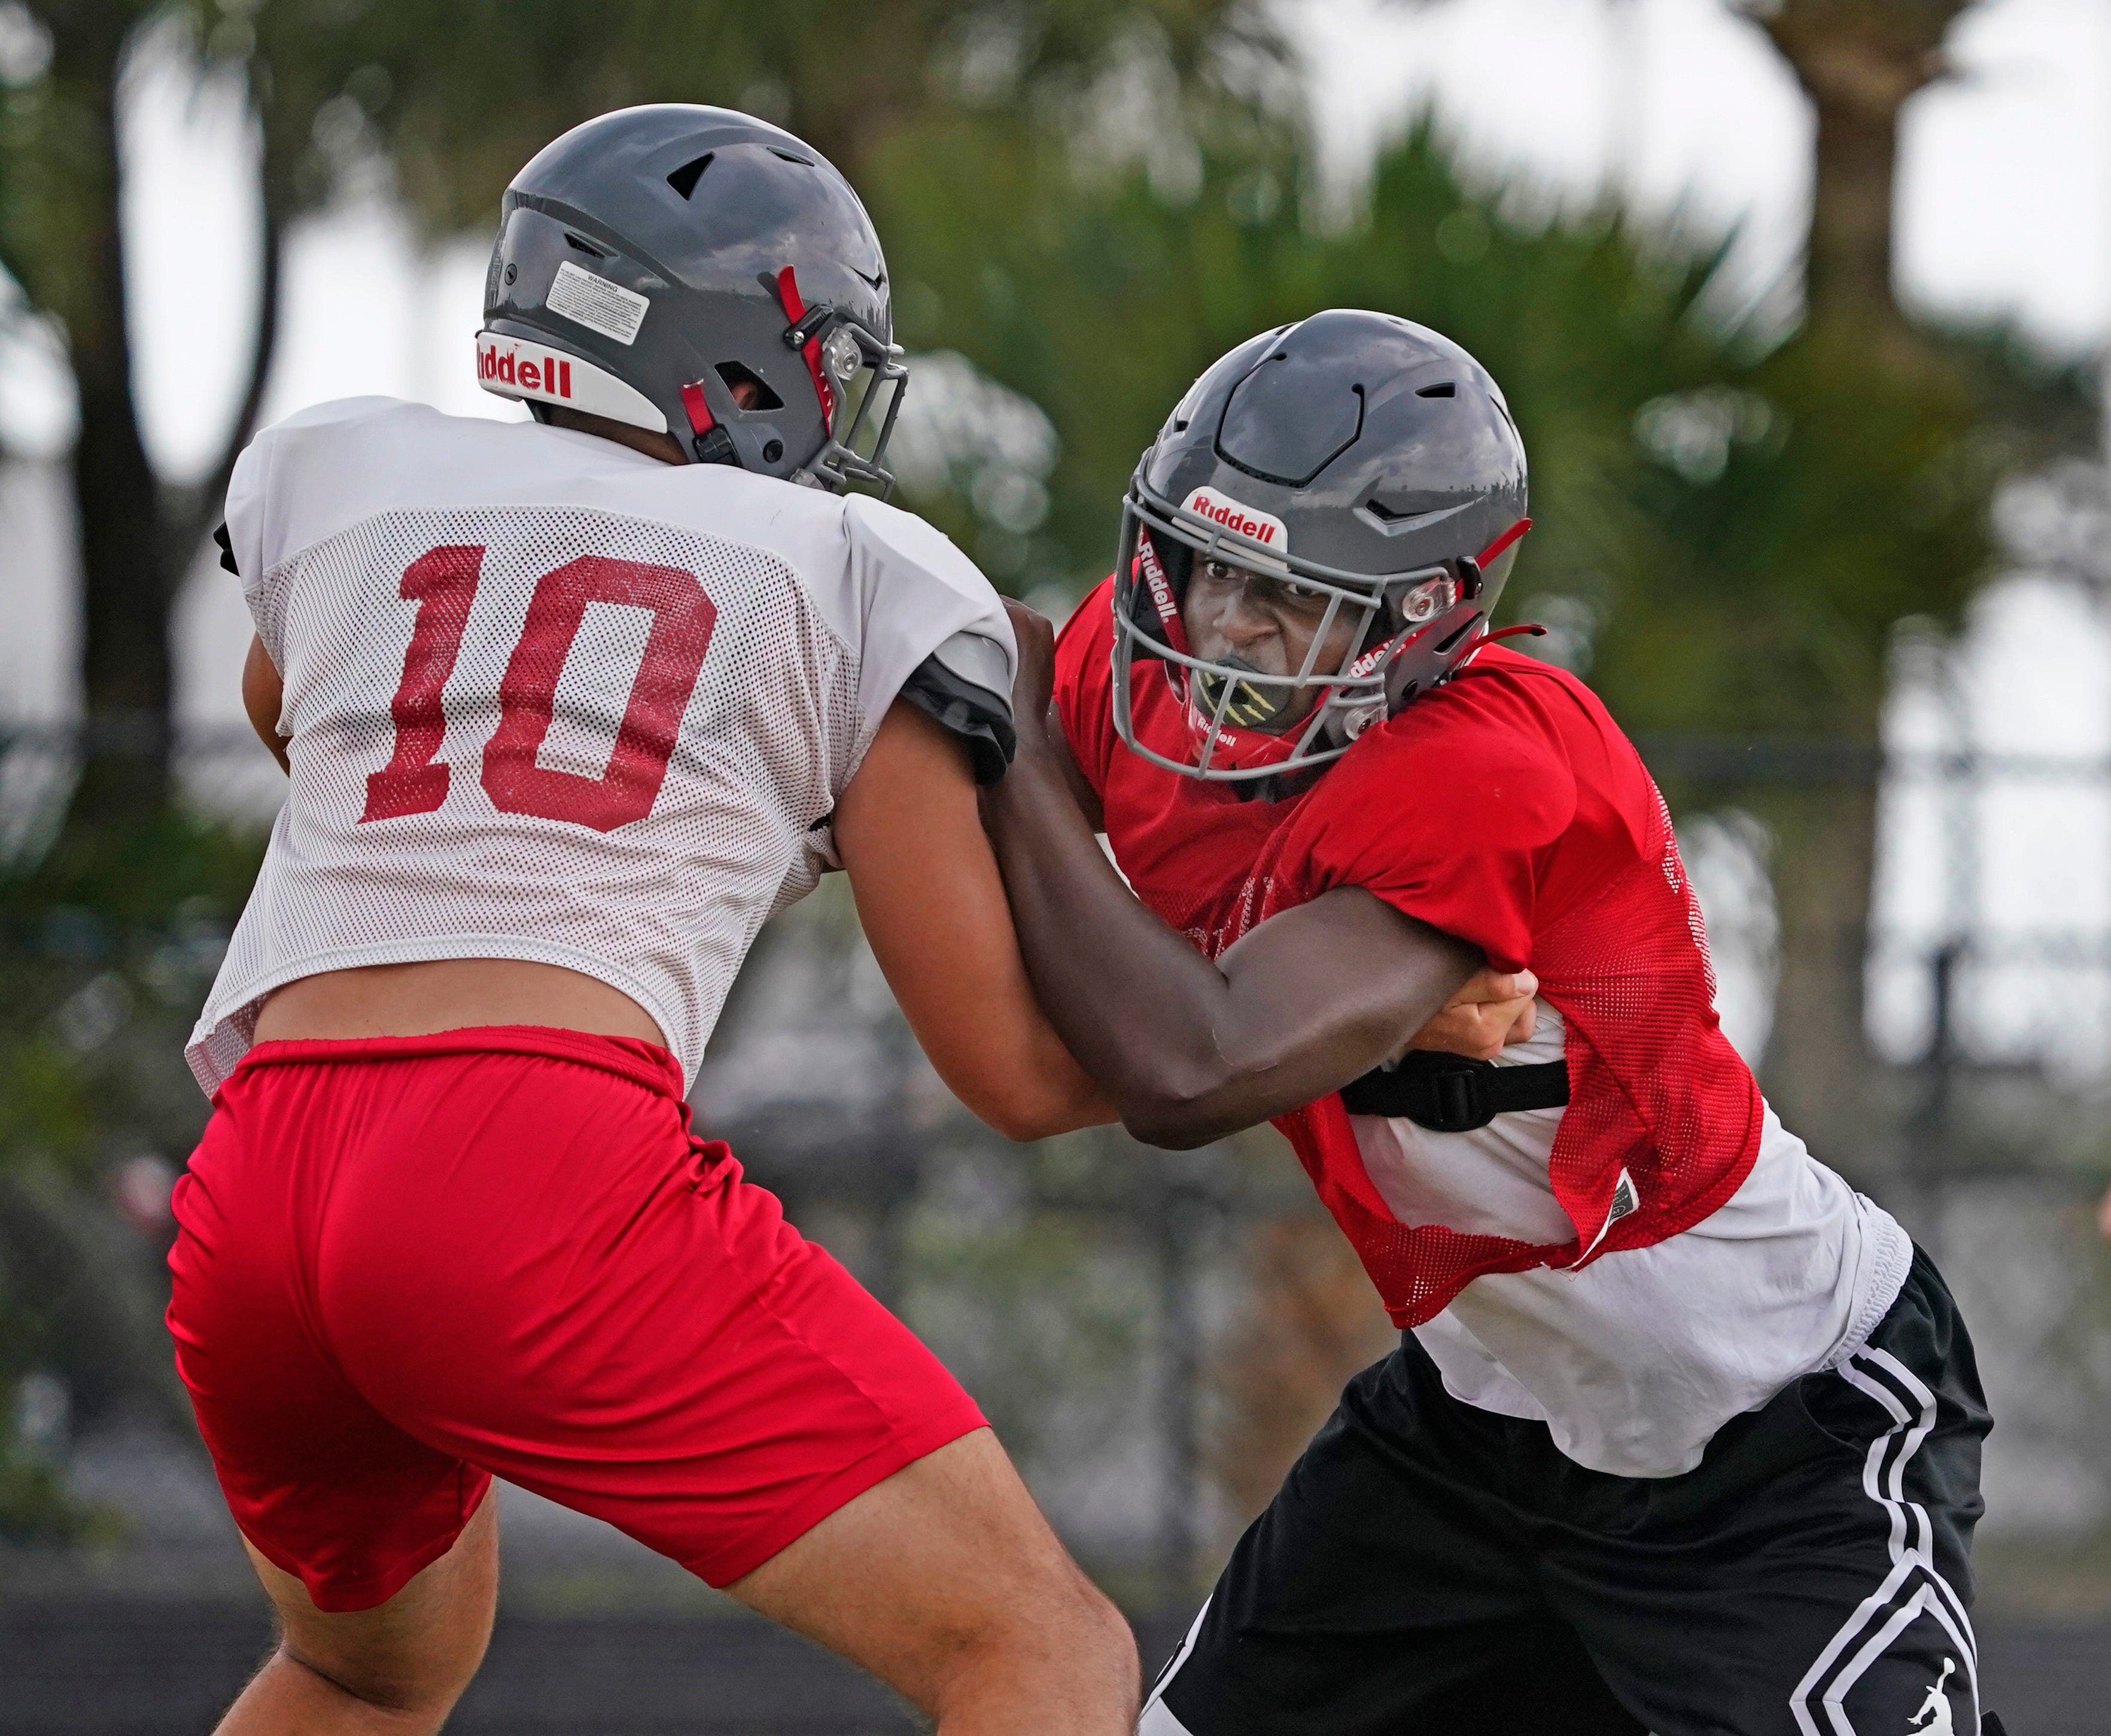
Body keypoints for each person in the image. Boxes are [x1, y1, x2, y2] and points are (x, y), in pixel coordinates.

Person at [166, 105, 1145, 1736]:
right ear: (748, 351)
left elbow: (298, 714)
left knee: (360, 1670)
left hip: (255, 1183)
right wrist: (1290, 1030)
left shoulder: (339, 469)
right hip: (526, 1158)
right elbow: (1016, 1070)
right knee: (1039, 1647)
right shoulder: (852, 561)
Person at [982, 310, 2000, 1736]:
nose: (1223, 629)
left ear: (1426, 613)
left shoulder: (1482, 767)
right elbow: (1002, 702)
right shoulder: (1137, 668)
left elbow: (1187, 1067)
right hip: (1482, 1419)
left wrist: (1010, 745)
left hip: (1775, 1427)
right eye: (1205, 568)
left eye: (1290, 597)